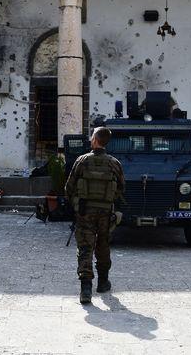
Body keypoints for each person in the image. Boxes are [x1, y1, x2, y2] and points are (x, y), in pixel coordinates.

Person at [65, 127, 125, 304]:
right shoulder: (114, 163)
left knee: (85, 248)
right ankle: (103, 282)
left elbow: (69, 187)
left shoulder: (82, 161)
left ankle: (85, 290)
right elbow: (121, 188)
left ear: (94, 140)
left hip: (85, 212)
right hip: (106, 213)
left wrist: (75, 205)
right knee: (103, 245)